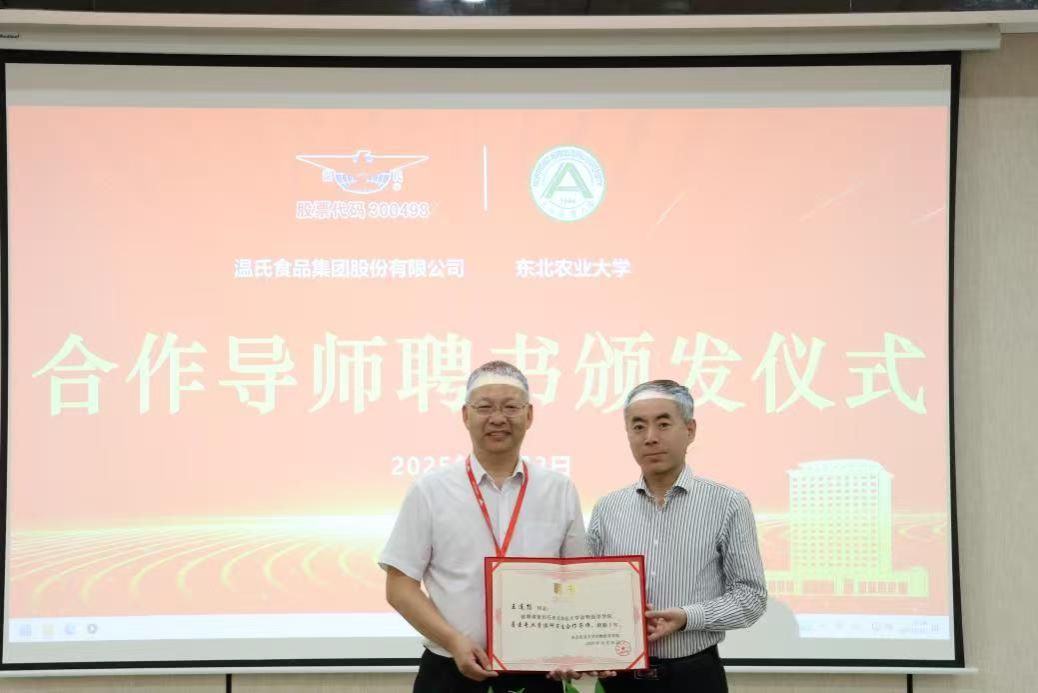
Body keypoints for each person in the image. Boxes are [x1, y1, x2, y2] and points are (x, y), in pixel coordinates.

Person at [380, 361, 586, 693]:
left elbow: (577, 580)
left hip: (537, 671)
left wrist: (574, 648)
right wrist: (454, 641)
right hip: (449, 670)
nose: (498, 418)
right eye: (485, 407)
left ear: (529, 415)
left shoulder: (559, 489)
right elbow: (399, 586)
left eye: (511, 407)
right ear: (466, 415)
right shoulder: (430, 490)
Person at [587, 380, 767, 692]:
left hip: (694, 675)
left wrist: (688, 617)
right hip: (622, 677)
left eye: (663, 424)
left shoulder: (727, 503)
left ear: (690, 430)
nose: (650, 437)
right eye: (638, 427)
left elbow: (751, 597)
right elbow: (588, 592)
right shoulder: (607, 508)